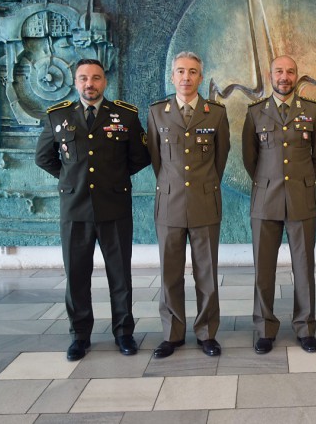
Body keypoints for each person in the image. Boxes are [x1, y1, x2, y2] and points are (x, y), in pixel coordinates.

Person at [35, 58, 150, 361]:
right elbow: (44, 157)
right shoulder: (58, 116)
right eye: (84, 78)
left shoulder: (125, 115)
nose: (90, 84)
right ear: (75, 82)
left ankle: (124, 333)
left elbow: (140, 157)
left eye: (96, 78)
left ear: (104, 82)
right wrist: (71, 180)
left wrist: (114, 178)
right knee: (76, 276)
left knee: (120, 276)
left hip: (114, 207)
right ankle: (79, 336)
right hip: (75, 210)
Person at [241, 55, 316, 354]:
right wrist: (269, 181)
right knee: (263, 269)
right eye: (279, 71)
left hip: (300, 199)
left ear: (296, 76)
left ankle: (305, 328)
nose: (284, 76)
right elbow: (250, 159)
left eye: (290, 72)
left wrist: (300, 182)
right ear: (270, 75)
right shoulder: (255, 113)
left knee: (304, 268)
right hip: (265, 201)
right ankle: (264, 329)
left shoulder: (313, 112)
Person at [147, 52, 230, 358]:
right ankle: (172, 334)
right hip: (169, 203)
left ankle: (207, 333)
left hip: (204, 201)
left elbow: (220, 158)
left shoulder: (215, 113)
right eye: (180, 71)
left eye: (192, 72)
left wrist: (202, 185)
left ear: (200, 77)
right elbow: (156, 159)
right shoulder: (157, 113)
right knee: (170, 273)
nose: (186, 77)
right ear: (172, 77)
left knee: (206, 273)